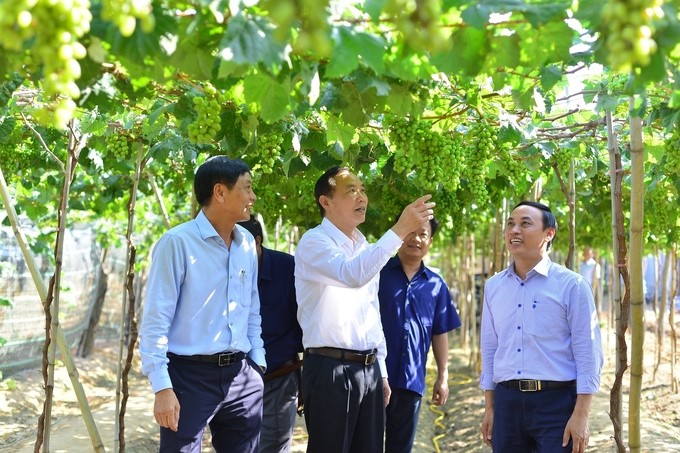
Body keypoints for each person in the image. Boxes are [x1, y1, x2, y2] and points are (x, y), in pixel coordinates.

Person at [294, 166, 435, 453]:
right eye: (351, 191)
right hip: (330, 370)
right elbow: (351, 275)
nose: (362, 197)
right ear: (326, 201)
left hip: (368, 369)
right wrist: (399, 229)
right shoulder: (314, 243)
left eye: (362, 190)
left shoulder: (364, 247)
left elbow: (372, 313)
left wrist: (380, 370)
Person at [139, 156, 266, 453]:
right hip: (189, 377)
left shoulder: (246, 242)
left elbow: (252, 308)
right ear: (220, 192)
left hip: (242, 376)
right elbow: (156, 317)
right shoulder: (178, 242)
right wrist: (162, 386)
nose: (253, 196)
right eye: (247, 188)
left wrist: (257, 363)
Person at [479, 200, 604, 453]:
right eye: (510, 224)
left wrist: (581, 414)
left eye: (525, 224)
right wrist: (490, 408)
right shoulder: (494, 287)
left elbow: (588, 354)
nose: (515, 230)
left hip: (556, 403)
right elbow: (490, 348)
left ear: (549, 234)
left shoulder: (573, 286)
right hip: (507, 403)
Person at [378, 216, 461, 453]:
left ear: (430, 241)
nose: (416, 239)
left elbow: (440, 332)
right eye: (410, 232)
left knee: (401, 447)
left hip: (411, 378)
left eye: (422, 234)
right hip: (374, 376)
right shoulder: (377, 274)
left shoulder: (436, 284)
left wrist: (443, 377)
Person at [238, 216, 304, 453]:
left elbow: (305, 317)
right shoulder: (224, 267)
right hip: (234, 378)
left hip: (279, 376)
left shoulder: (289, 268)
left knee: (273, 445)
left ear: (257, 242)